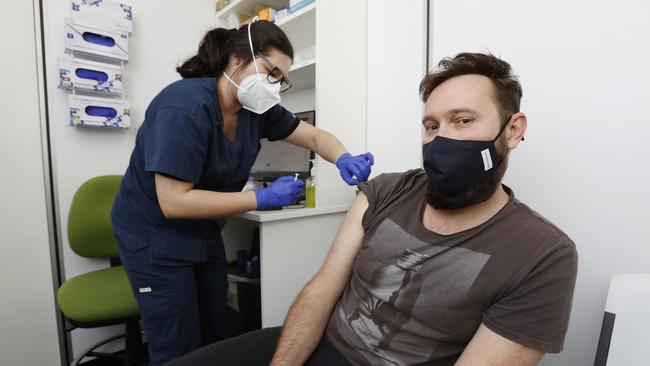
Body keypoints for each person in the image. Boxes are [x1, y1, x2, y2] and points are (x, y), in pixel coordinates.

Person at [165, 52, 578, 366]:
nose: (441, 138)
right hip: (323, 344)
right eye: (432, 125)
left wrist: (335, 154)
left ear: (512, 130)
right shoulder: (386, 191)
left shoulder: (542, 254)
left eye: (464, 120)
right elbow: (322, 290)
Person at [111, 18, 374, 366]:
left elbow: (312, 136)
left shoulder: (254, 110)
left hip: (203, 232)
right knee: (176, 343)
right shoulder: (183, 108)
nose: (275, 85)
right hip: (154, 236)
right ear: (237, 60)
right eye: (270, 71)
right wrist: (261, 198)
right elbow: (173, 202)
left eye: (282, 77)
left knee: (216, 331)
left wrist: (342, 156)